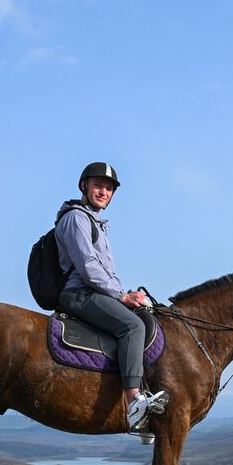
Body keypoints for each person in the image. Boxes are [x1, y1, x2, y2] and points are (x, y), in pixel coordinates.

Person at [55, 161, 167, 430]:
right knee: (132, 325)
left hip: (92, 291)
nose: (103, 192)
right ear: (84, 186)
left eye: (108, 188)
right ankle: (133, 402)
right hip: (78, 293)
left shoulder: (95, 221)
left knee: (146, 315)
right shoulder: (76, 218)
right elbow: (88, 267)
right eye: (98, 186)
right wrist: (121, 296)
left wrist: (127, 296)